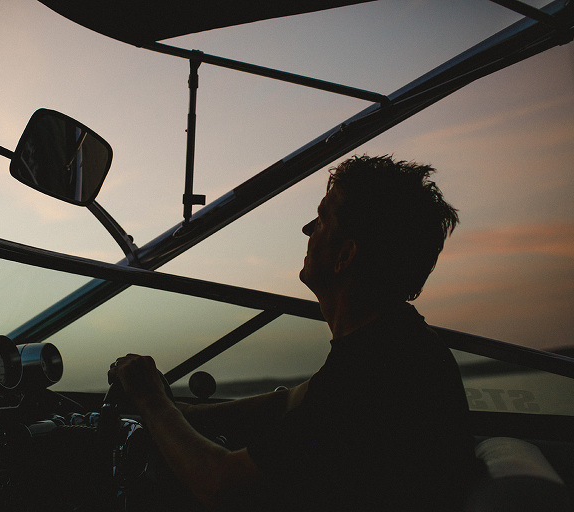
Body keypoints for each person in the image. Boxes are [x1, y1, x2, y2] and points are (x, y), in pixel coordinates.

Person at [108, 155, 476, 511]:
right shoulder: (395, 346)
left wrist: (151, 401)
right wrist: (182, 412)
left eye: (320, 219)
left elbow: (223, 487)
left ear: (344, 256)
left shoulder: (374, 375)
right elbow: (287, 403)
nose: (307, 230)